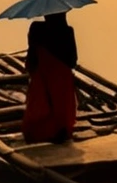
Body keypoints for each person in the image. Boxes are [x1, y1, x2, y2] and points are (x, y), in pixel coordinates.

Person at [22, 10, 78, 144]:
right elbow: (73, 61)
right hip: (61, 78)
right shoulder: (67, 31)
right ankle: (61, 132)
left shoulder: (36, 29)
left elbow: (31, 58)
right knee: (61, 106)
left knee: (40, 105)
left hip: (42, 76)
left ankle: (40, 134)